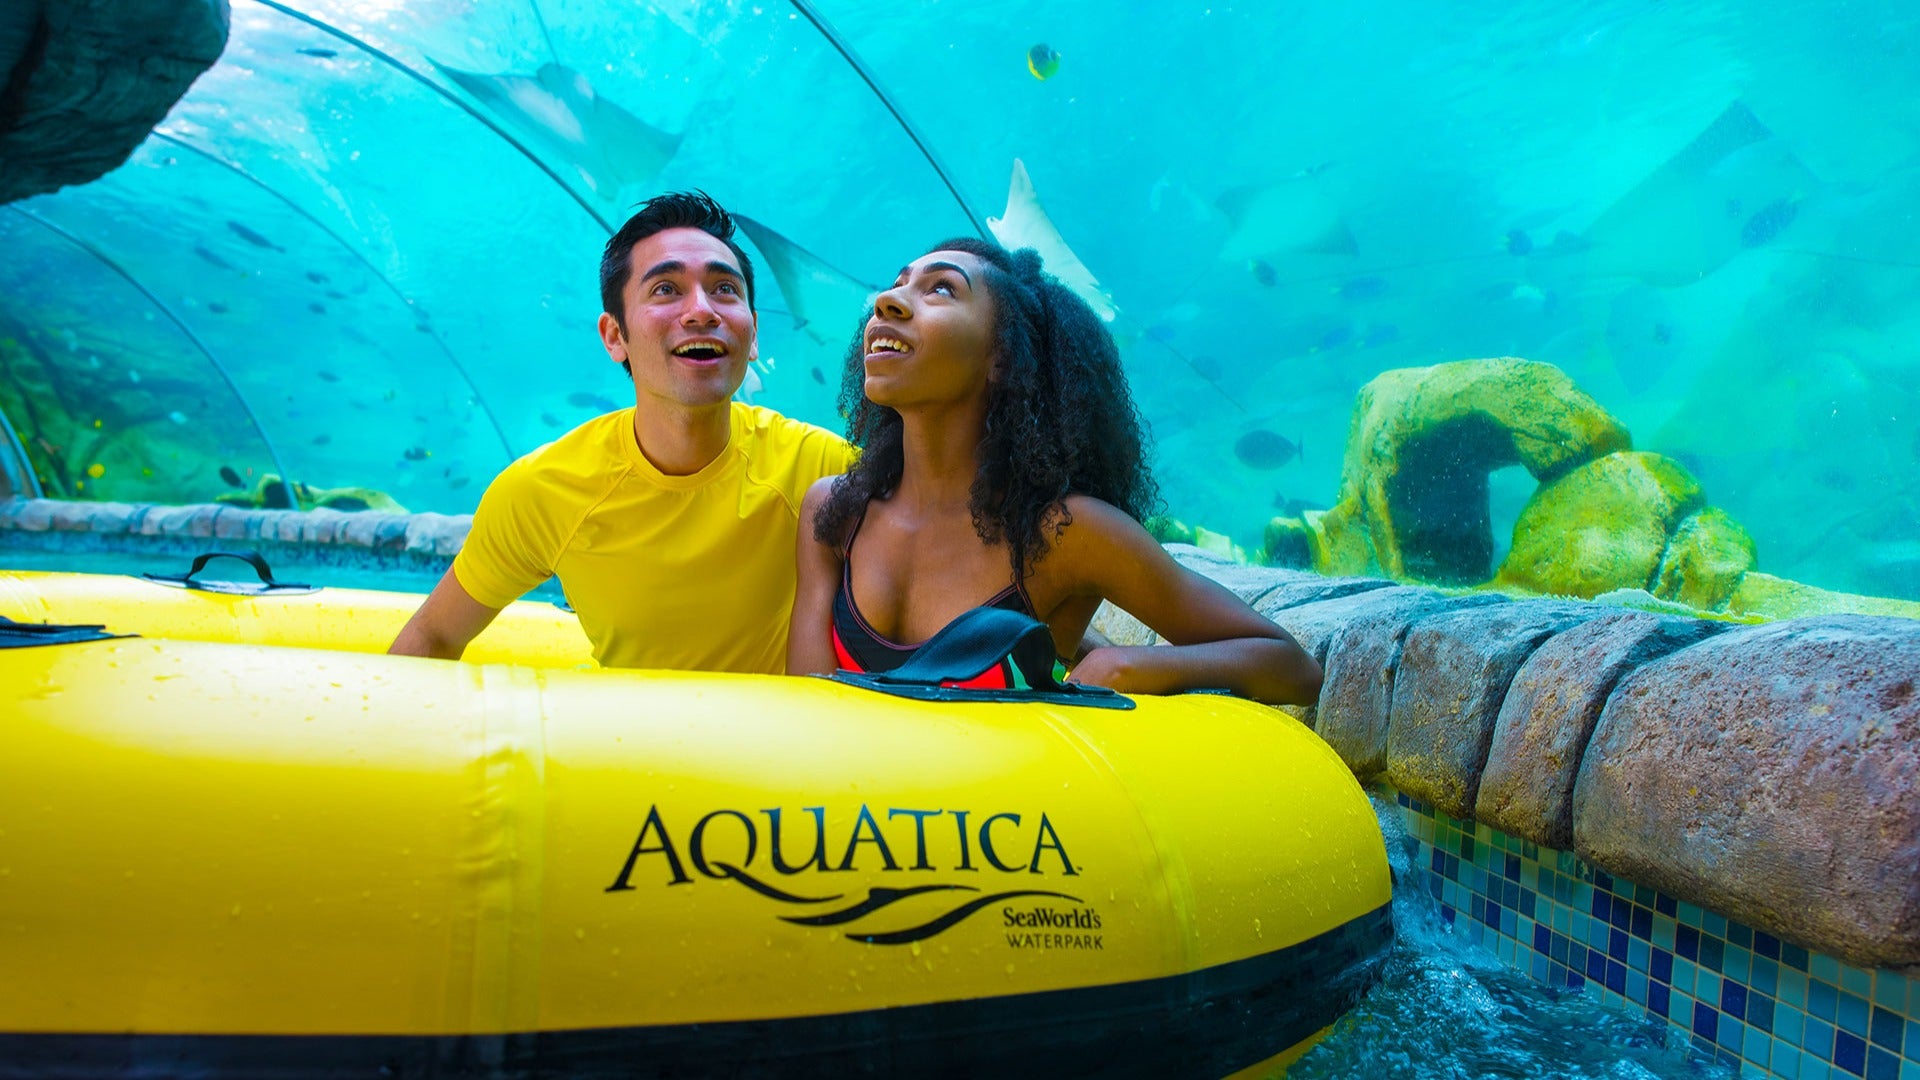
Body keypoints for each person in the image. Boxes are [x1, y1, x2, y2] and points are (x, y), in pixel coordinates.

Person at [788, 239, 1322, 705]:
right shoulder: (835, 513)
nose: (886, 301)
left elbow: (1291, 667)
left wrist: (1136, 665)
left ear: (1003, 357)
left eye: (942, 289)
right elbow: (809, 711)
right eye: (897, 285)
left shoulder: (1067, 533)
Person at [391, 192, 853, 671]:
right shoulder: (543, 492)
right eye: (665, 289)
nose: (702, 311)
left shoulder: (821, 469)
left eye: (724, 289)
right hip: (619, 742)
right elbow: (435, 634)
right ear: (614, 336)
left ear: (753, 333)